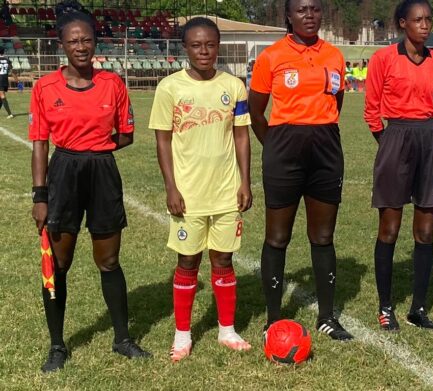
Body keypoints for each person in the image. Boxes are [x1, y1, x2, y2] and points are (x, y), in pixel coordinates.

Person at [29, 1, 151, 373]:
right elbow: (39, 143)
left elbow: (126, 135)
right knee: (59, 263)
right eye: (73, 41)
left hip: (102, 173)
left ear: (96, 43)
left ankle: (122, 339)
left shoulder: (113, 84)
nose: (81, 46)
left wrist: (96, 149)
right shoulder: (45, 87)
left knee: (109, 260)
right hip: (63, 173)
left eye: (87, 40)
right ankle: (57, 345)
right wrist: (40, 194)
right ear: (62, 45)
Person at [248, 0, 353, 341]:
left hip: (326, 148)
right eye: (302, 10)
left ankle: (327, 316)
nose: (310, 16)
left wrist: (314, 132)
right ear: (289, 17)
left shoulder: (334, 55)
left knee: (322, 237)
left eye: (315, 9)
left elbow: (335, 101)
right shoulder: (272, 57)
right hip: (284, 150)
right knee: (277, 237)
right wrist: (277, 146)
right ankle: (274, 318)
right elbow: (257, 112)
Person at [150, 17, 252, 361]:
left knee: (224, 258)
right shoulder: (170, 88)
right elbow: (162, 140)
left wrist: (245, 180)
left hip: (225, 191)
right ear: (185, 48)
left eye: (210, 44)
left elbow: (241, 135)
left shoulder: (235, 86)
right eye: (196, 45)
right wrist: (171, 188)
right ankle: (183, 334)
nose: (204, 51)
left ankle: (226, 330)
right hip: (188, 194)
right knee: (188, 260)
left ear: (218, 45)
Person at [363, 0, 433, 331]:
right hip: (395, 136)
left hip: (428, 137)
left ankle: (418, 308)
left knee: (425, 231)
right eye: (418, 20)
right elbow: (371, 109)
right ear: (402, 24)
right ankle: (386, 308)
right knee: (390, 228)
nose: (425, 25)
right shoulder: (383, 59)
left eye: (428, 19)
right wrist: (387, 143)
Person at [0, 47, 14, 118]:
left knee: (2, 95)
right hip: (5, 79)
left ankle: (10, 114)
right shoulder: (8, 60)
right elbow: (11, 70)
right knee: (1, 96)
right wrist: (16, 78)